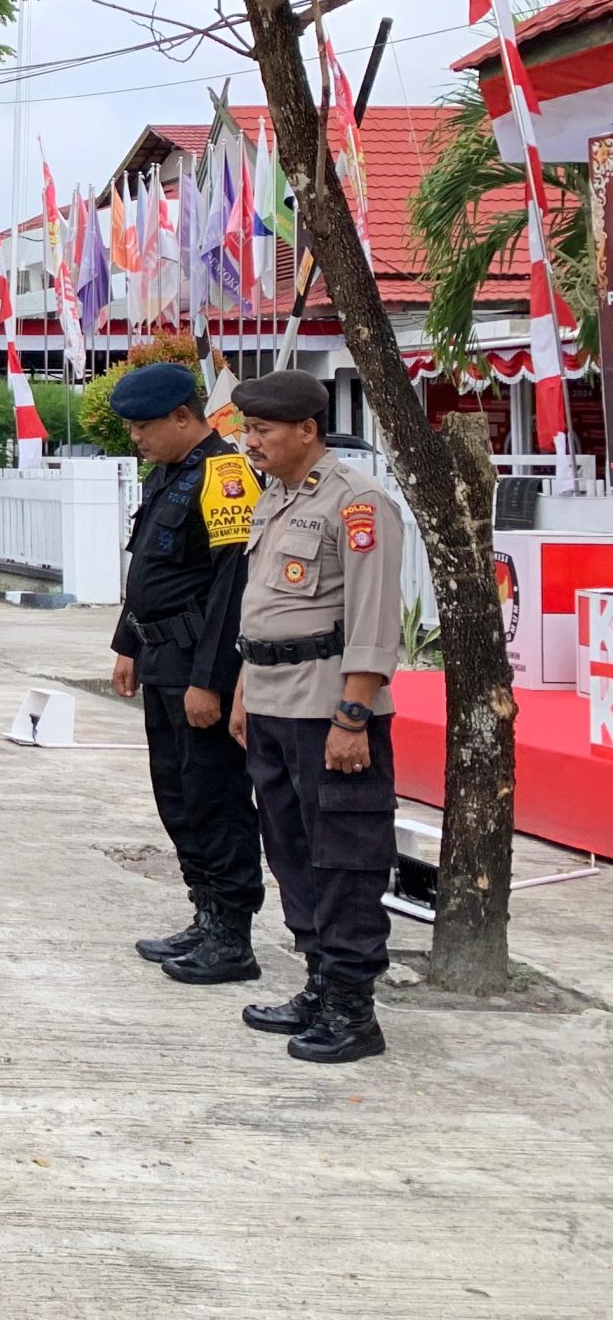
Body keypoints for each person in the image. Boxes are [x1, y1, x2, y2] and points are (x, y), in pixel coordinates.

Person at [229, 369, 405, 1063]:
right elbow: (265, 609)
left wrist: (354, 716)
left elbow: (370, 619)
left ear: (307, 430)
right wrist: (245, 687)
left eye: (263, 431)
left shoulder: (357, 504)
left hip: (327, 706)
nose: (251, 443)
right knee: (291, 850)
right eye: (248, 430)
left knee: (344, 856)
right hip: (272, 699)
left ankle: (352, 1007)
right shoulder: (275, 500)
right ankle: (318, 979)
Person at [107, 361, 264, 983]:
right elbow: (148, 570)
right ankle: (204, 913)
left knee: (214, 799)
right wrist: (127, 644)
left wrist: (211, 681)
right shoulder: (168, 476)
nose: (137, 438)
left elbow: (233, 587)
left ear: (183, 417)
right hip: (161, 657)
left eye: (145, 426)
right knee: (176, 796)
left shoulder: (224, 477)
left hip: (199, 664)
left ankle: (233, 934)